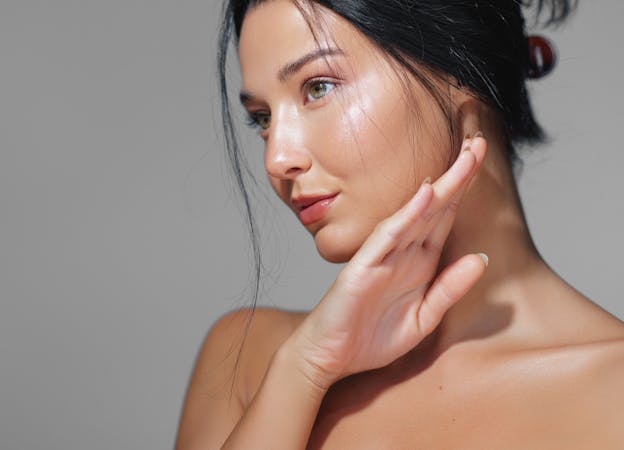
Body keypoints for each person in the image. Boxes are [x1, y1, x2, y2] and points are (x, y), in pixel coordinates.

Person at [176, 0, 624, 448]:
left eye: (318, 88)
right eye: (263, 118)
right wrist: (305, 368)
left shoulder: (612, 391)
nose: (278, 159)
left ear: (460, 71)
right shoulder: (248, 361)